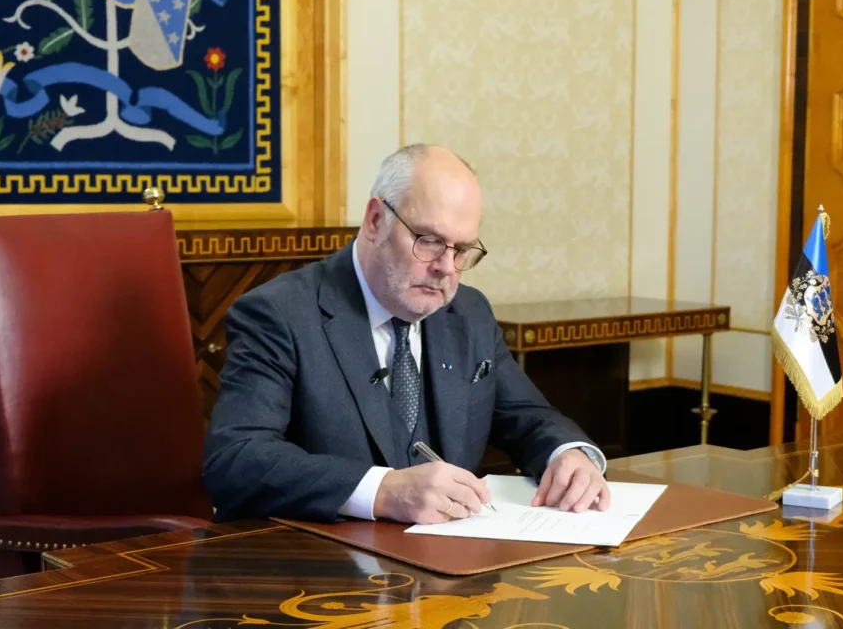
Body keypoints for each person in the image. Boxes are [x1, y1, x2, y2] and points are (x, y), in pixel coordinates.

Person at [203, 144, 610, 524]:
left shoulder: (468, 313)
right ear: (375, 220)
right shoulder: (278, 314)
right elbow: (235, 460)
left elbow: (527, 416)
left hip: (450, 562)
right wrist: (382, 491)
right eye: (429, 241)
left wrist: (567, 454)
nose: (446, 267)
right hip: (321, 564)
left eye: (461, 250)